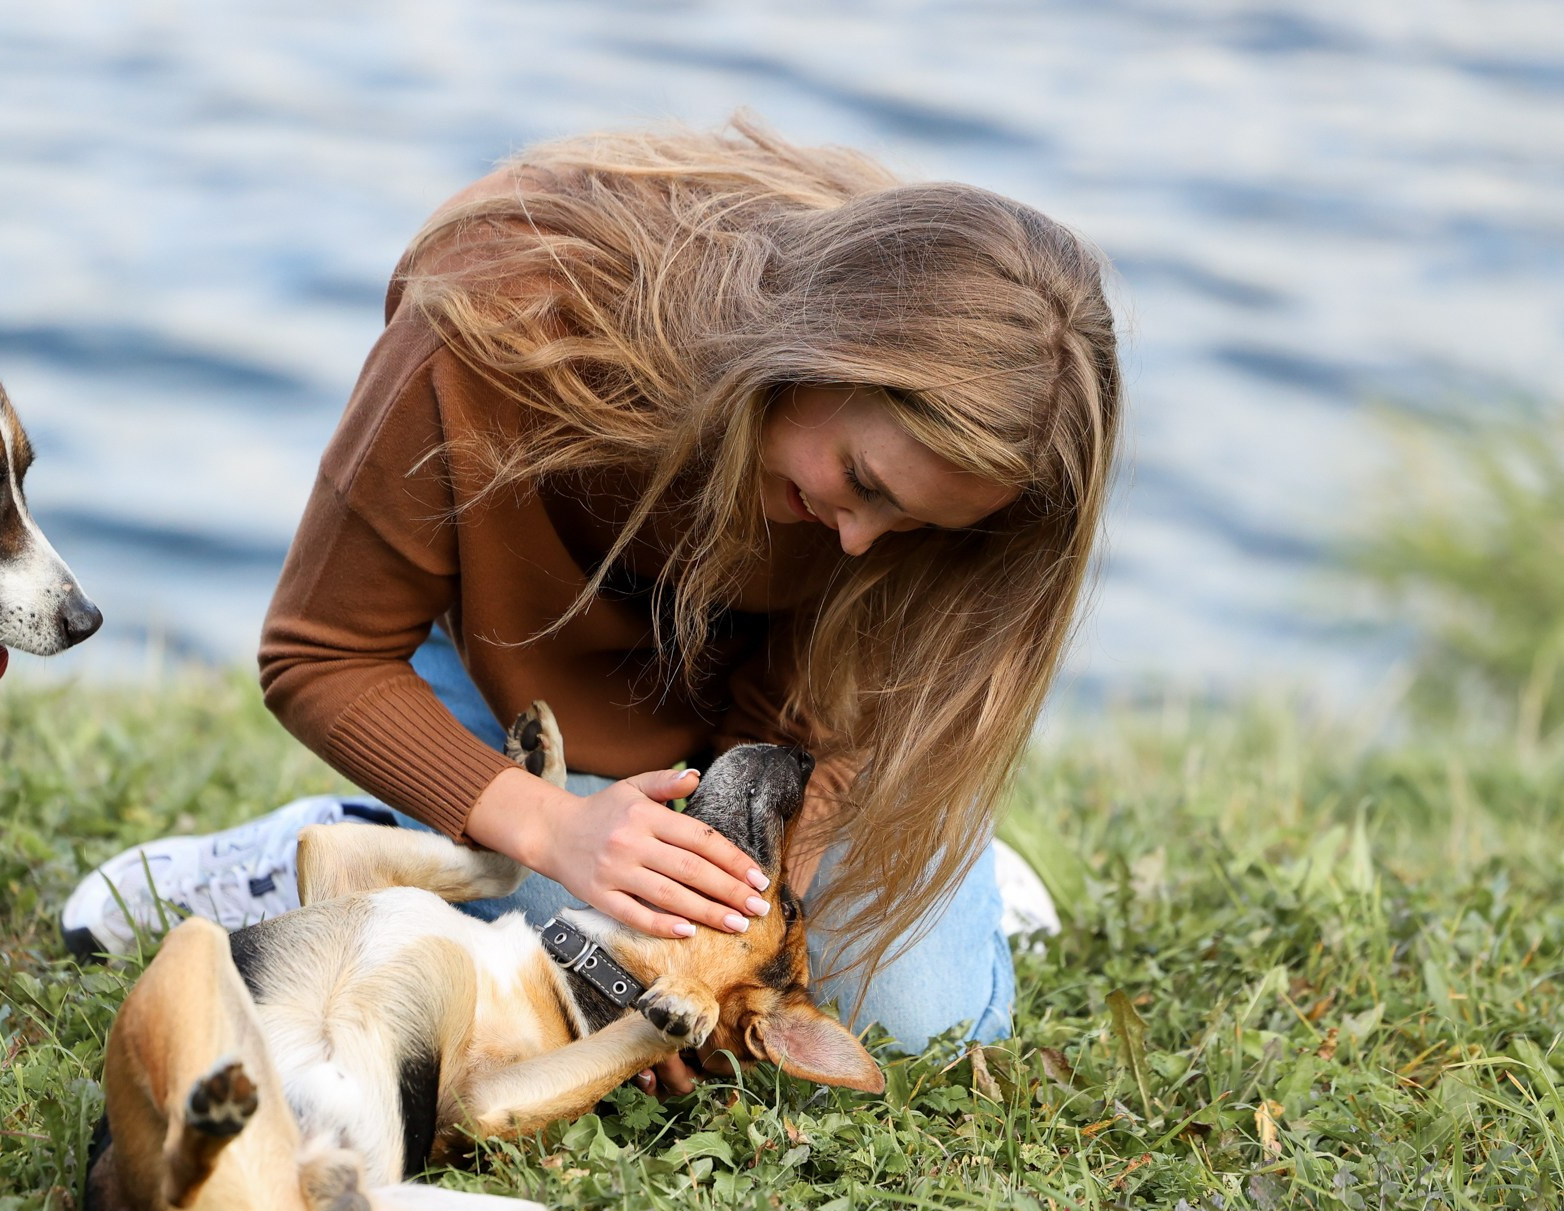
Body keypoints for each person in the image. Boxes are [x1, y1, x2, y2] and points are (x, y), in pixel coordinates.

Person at [62, 120, 1118, 1086]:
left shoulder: (923, 485)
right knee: (553, 949)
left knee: (930, 1028)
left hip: (752, 735)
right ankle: (341, 848)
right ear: (819, 352)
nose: (858, 545)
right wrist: (555, 831)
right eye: (865, 483)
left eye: (916, 530)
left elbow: (823, 717)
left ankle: (948, 882)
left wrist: (733, 933)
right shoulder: (497, 316)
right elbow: (320, 657)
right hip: (527, 687)